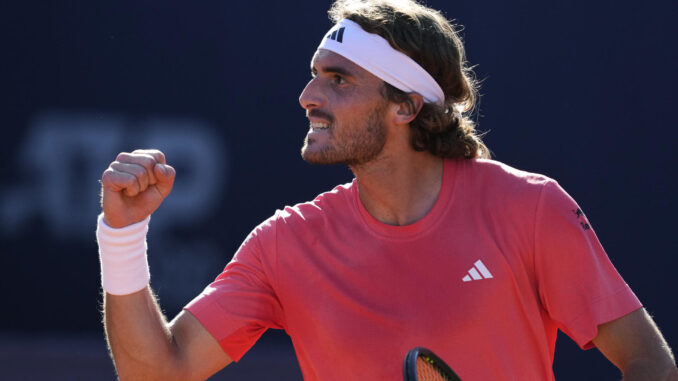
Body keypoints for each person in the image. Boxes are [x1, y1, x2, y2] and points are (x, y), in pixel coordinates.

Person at [97, 0, 678, 380]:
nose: (307, 95)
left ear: (404, 106)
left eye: (338, 79)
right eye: (314, 73)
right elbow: (159, 374)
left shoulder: (530, 210)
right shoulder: (284, 245)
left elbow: (648, 360)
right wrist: (121, 236)